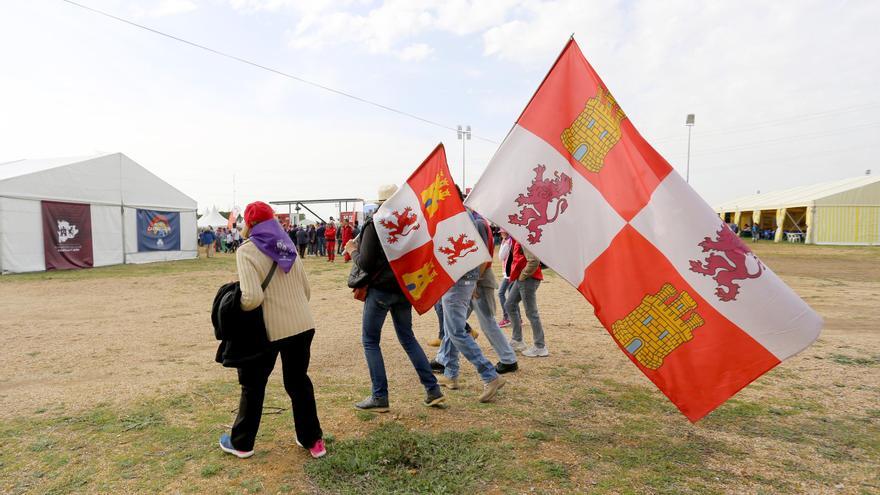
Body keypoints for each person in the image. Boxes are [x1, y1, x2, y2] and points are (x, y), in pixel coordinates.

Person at [219, 201, 326, 460]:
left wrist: (236, 304)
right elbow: (306, 291)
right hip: (302, 324)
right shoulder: (287, 245)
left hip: (268, 330)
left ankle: (242, 443)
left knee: (254, 386)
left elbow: (252, 298)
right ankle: (313, 441)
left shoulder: (246, 250)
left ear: (249, 223)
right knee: (299, 383)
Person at [346, 185, 444, 412]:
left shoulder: (376, 223)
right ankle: (433, 389)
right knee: (408, 338)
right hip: (403, 288)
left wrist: (352, 249)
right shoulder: (410, 221)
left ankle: (379, 396)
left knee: (371, 341)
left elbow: (366, 263)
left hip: (381, 290)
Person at [436, 188, 506, 402]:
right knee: (451, 328)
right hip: (460, 279)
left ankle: (489, 375)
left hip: (457, 280)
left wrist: (473, 279)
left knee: (456, 331)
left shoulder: (460, 219)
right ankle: (450, 374)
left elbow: (477, 253)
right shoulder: (464, 218)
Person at [468, 211, 518, 374]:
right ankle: (444, 358)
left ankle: (509, 359)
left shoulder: (477, 223)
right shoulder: (477, 221)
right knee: (454, 322)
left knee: (487, 322)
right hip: (473, 279)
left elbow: (483, 256)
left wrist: (475, 280)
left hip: (478, 280)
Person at [505, 239, 548, 357]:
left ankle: (540, 346)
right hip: (523, 278)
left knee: (531, 312)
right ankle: (517, 340)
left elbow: (534, 260)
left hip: (528, 278)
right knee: (510, 305)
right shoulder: (517, 237)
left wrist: (523, 275)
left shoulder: (523, 238)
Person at [497, 230, 513, 328]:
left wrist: (503, 244)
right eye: (501, 232)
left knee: (501, 293)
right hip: (509, 272)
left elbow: (500, 256)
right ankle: (517, 318)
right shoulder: (507, 241)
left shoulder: (507, 242)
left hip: (509, 273)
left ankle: (506, 318)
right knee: (512, 296)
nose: (501, 234)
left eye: (503, 232)